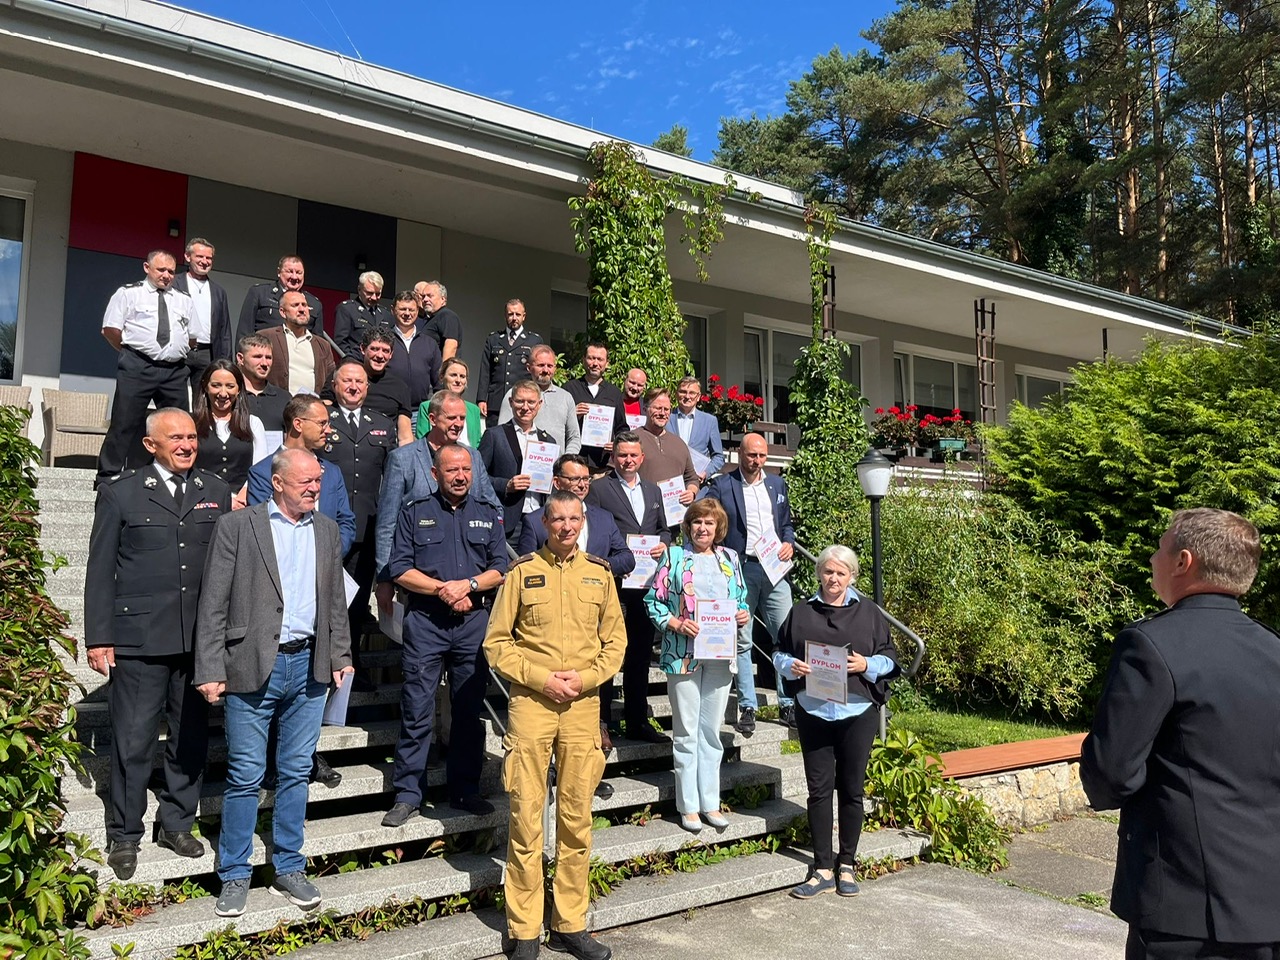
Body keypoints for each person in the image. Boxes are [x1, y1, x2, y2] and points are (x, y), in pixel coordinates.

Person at [1080, 508, 1280, 960]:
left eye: (1160, 547)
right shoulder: (1274, 649)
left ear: (1183, 562)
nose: (1153, 558)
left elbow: (1111, 771)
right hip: (1268, 905)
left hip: (1183, 905)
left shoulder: (1150, 645)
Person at [195, 448, 352, 919]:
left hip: (309, 666)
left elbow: (335, 601)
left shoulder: (326, 530)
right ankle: (235, 872)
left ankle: (289, 866)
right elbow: (213, 601)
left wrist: (341, 655)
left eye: (318, 481)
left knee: (296, 771)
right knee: (245, 774)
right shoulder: (237, 526)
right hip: (250, 663)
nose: (314, 489)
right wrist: (210, 668)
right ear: (278, 483)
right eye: (305, 482)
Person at [85, 408, 231, 880]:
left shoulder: (215, 491)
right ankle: (125, 833)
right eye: (176, 438)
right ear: (151, 445)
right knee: (133, 741)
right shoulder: (121, 492)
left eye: (192, 437)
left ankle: (176, 824)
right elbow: (100, 569)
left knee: (190, 739)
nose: (187, 445)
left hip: (197, 641)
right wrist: (99, 637)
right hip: (140, 640)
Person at [483, 490, 625, 960]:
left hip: (582, 706)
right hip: (532, 703)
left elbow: (616, 643)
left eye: (574, 519)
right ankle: (524, 929)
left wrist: (585, 679)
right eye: (558, 519)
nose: (567, 526)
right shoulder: (522, 573)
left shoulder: (599, 575)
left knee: (576, 819)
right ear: (545, 523)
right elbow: (497, 643)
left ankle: (569, 923)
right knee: (526, 818)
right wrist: (541, 679)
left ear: (583, 522)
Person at [382, 444, 508, 827]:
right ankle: (408, 794)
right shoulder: (414, 512)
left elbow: (500, 568)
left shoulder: (487, 514)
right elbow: (400, 569)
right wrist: (444, 590)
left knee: (468, 710)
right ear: (435, 474)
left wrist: (469, 585)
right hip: (427, 623)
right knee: (417, 709)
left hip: (472, 625)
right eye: (452, 470)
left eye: (466, 470)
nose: (460, 477)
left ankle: (465, 790)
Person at [772, 545, 899, 899]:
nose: (834, 578)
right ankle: (823, 868)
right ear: (819, 574)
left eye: (841, 573)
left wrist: (866, 665)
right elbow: (779, 651)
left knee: (852, 790)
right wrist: (789, 666)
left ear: (851, 576)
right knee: (818, 791)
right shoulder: (801, 612)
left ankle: (847, 865)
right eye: (828, 571)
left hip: (856, 713)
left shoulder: (869, 612)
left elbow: (890, 658)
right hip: (813, 711)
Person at [644, 498, 749, 835]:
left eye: (709, 523)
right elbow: (653, 602)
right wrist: (675, 623)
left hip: (719, 655)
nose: (703, 528)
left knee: (711, 732)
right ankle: (688, 806)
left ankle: (710, 802)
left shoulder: (730, 558)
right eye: (697, 522)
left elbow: (741, 599)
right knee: (687, 732)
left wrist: (742, 614)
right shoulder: (674, 556)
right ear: (688, 526)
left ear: (719, 528)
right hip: (683, 654)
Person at [699, 431, 797, 733]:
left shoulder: (776, 484)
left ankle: (788, 703)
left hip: (775, 568)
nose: (757, 461)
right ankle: (747, 706)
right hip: (741, 568)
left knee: (786, 635)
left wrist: (789, 542)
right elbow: (704, 516)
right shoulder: (723, 484)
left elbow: (786, 523)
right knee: (742, 638)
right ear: (739, 454)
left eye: (762, 455)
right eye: (752, 455)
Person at [374, 391, 502, 612]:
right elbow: (387, 523)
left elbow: (494, 508)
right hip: (420, 584)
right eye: (451, 418)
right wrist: (384, 579)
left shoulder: (473, 457)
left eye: (462, 418)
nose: (458, 424)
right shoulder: (403, 459)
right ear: (432, 419)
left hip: (469, 583)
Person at [585, 430, 671, 746]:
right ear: (614, 457)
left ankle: (637, 721)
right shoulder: (598, 489)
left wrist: (664, 543)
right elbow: (593, 532)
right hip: (614, 584)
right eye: (622, 455)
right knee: (608, 653)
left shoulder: (653, 490)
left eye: (634, 455)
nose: (628, 460)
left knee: (639, 655)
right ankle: (601, 722)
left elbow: (664, 530)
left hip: (645, 587)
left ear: (642, 457)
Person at [96, 250, 193, 482]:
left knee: (178, 425)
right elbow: (110, 330)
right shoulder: (129, 293)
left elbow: (192, 337)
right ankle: (107, 477)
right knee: (124, 423)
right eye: (161, 270)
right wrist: (131, 353)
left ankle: (176, 476)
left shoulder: (184, 300)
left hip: (174, 370)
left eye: (171, 271)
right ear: (146, 268)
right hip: (138, 366)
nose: (167, 275)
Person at [324, 359, 395, 650]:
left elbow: (391, 478)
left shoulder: (382, 424)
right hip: (326, 526)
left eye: (359, 382)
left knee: (356, 603)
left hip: (366, 528)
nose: (353, 387)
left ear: (367, 387)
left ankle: (349, 662)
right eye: (347, 381)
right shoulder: (322, 419)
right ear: (334, 385)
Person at [247, 395, 355, 554]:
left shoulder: (332, 472)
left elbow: (345, 521)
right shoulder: (263, 472)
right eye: (322, 423)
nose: (328, 430)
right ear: (298, 424)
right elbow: (263, 527)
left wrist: (331, 555)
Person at [516, 453, 633, 579]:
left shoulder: (604, 518)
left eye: (586, 479)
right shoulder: (534, 522)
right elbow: (526, 568)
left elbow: (627, 558)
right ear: (557, 482)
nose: (582, 485)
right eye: (575, 479)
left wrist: (597, 567)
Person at [478, 379, 555, 551]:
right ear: (511, 402)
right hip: (509, 520)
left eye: (531, 402)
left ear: (539, 404)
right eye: (520, 401)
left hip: (541, 519)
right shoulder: (494, 435)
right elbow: (477, 476)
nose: (525, 407)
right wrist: (506, 485)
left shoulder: (548, 441)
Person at [192, 359, 269, 507]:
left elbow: (260, 466)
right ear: (205, 387)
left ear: (239, 389)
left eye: (230, 386)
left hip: (244, 503)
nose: (223, 393)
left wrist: (244, 494)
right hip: (203, 501)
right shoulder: (192, 423)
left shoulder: (253, 423)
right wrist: (223, 500)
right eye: (216, 385)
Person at [497, 344, 581, 454]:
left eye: (550, 366)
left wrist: (566, 460)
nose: (545, 370)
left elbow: (574, 437)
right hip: (520, 462)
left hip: (556, 463)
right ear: (528, 367)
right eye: (541, 365)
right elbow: (502, 435)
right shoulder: (515, 395)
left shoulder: (566, 397)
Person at [172, 237, 231, 387]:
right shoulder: (173, 284)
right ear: (187, 257)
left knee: (204, 397)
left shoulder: (218, 292)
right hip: (180, 350)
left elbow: (224, 330)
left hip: (207, 354)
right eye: (200, 256)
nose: (204, 261)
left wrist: (225, 361)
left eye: (208, 258)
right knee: (174, 395)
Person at [562, 341, 627, 474]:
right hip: (574, 464)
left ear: (607, 363)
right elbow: (557, 424)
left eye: (600, 359)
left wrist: (616, 443)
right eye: (591, 358)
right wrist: (572, 415)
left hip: (603, 467)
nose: (595, 363)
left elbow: (622, 427)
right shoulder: (569, 389)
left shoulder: (614, 393)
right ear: (583, 360)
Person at [477, 299, 543, 426]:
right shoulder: (494, 339)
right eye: (510, 314)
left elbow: (537, 371)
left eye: (517, 314)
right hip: (496, 402)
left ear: (524, 316)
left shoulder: (534, 341)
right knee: (494, 434)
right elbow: (485, 370)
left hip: (522, 403)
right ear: (505, 316)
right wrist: (481, 399)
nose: (514, 318)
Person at [635, 388, 698, 513]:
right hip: (641, 513)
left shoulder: (679, 444)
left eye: (666, 409)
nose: (662, 413)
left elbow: (691, 478)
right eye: (658, 408)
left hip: (674, 516)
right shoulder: (631, 439)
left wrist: (691, 492)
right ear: (645, 409)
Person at [236, 255, 323, 344]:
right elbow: (244, 332)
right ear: (279, 272)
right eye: (289, 272)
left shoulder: (314, 303)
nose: (294, 277)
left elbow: (318, 343)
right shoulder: (260, 293)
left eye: (299, 273)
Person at [263, 291, 335, 396]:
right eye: (295, 305)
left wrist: (326, 400)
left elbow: (331, 377)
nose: (302, 309)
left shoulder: (323, 345)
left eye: (304, 305)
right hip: (277, 402)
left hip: (312, 404)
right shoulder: (267, 337)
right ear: (283, 312)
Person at [386, 290, 441, 418]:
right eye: (402, 309)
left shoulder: (429, 343)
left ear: (417, 312)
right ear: (393, 310)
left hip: (419, 413)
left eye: (411, 310)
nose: (407, 314)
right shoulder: (383, 340)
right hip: (389, 411)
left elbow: (439, 381)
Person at [416, 357, 484, 447]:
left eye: (462, 376)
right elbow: (423, 442)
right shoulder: (427, 407)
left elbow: (477, 443)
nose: (458, 380)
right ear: (441, 377)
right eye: (453, 375)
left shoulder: (474, 410)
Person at [669, 376, 725, 483]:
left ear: (698, 397)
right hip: (670, 481)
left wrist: (706, 473)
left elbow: (718, 456)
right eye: (683, 392)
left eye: (692, 393)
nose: (687, 396)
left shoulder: (709, 421)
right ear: (676, 394)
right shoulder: (666, 418)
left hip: (696, 482)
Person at [236, 333, 291, 436]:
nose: (264, 363)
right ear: (240, 358)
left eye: (268, 358)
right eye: (257, 357)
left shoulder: (284, 397)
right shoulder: (231, 396)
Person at [333, 271, 394, 358]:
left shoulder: (385, 314)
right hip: (357, 362)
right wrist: (352, 361)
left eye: (378, 294)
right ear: (359, 290)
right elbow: (341, 342)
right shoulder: (347, 309)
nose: (374, 298)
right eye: (369, 293)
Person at [416, 280, 462, 364]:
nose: (425, 299)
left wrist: (444, 370)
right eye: (423, 296)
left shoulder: (447, 316)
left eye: (430, 296)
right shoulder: (432, 318)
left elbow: (451, 346)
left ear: (443, 299)